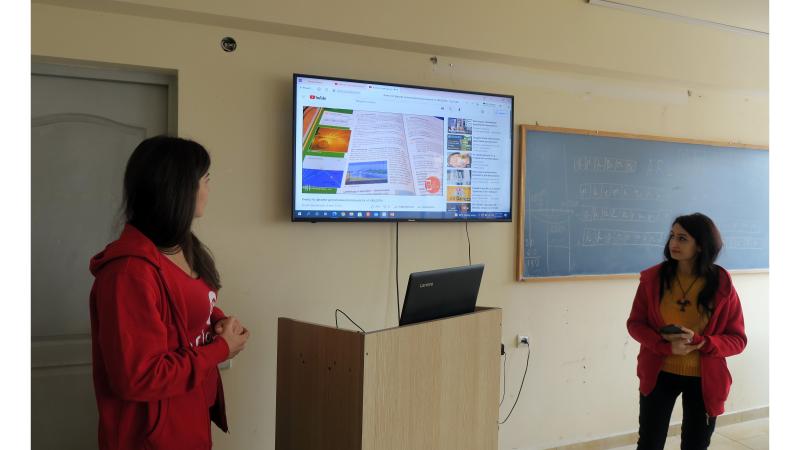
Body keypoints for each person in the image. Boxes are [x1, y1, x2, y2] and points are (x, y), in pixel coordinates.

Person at [89, 136, 250, 449]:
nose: (209, 188)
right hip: (151, 437)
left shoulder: (182, 246)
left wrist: (218, 321)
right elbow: (138, 377)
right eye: (205, 179)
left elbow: (185, 304)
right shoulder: (128, 274)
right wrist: (220, 350)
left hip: (190, 418)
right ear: (179, 189)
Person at [627, 213, 746, 450]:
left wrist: (703, 342)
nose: (673, 243)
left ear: (701, 245)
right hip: (658, 373)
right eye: (672, 236)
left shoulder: (721, 284)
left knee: (695, 444)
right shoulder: (652, 279)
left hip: (705, 378)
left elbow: (738, 340)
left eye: (682, 238)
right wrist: (664, 345)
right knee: (649, 443)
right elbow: (635, 324)